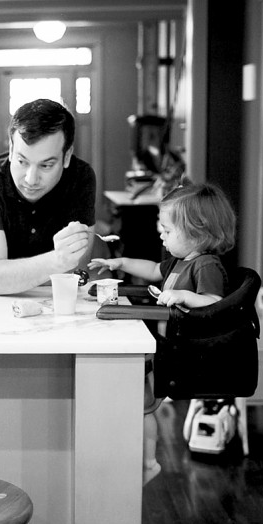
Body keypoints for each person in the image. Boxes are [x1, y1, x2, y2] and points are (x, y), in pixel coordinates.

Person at [89, 182, 237, 484]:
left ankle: (148, 464)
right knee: (139, 405)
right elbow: (154, 269)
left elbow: (214, 303)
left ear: (197, 232)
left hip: (178, 352)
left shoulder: (205, 265)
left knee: (143, 407)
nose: (161, 235)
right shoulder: (181, 261)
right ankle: (139, 460)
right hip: (160, 345)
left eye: (167, 231)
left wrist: (184, 297)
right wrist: (119, 263)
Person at [0, 98, 96, 295]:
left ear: (66, 157)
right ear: (10, 149)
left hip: (41, 299)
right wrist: (56, 261)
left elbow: (76, 274)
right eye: (22, 161)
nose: (31, 179)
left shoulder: (80, 178)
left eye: (46, 165)